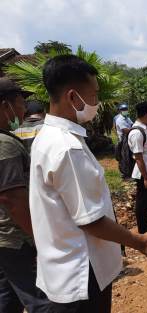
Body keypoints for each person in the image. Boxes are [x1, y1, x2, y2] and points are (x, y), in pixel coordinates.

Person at [29, 55, 147, 312]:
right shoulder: (67, 148)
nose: (97, 103)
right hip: (82, 276)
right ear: (73, 97)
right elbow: (90, 220)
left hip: (62, 272)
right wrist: (139, 241)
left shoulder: (47, 137)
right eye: (93, 95)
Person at [0, 78, 51, 312]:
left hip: (5, 238)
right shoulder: (5, 145)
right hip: (16, 238)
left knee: (7, 299)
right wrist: (38, 238)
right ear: (5, 106)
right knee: (41, 300)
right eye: (20, 102)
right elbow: (12, 198)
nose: (23, 109)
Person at [128, 101, 147, 234]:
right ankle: (143, 230)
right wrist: (146, 178)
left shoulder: (144, 128)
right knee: (142, 202)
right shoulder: (137, 133)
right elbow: (138, 157)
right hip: (143, 173)